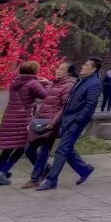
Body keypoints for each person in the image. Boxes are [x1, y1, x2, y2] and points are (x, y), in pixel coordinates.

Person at [36, 58, 102, 190]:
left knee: (62, 149)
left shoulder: (94, 83)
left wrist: (78, 120)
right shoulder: (81, 80)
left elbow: (90, 105)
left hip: (76, 121)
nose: (83, 67)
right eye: (84, 64)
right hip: (67, 119)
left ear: (94, 69)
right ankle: (84, 170)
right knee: (67, 148)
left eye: (87, 65)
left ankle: (51, 180)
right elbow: (69, 101)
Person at [0, 60, 47, 186]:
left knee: (7, 148)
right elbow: (47, 96)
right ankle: (2, 172)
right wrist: (47, 84)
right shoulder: (33, 83)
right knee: (22, 147)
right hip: (22, 119)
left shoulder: (15, 82)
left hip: (9, 117)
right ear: (33, 71)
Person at [22, 61, 75, 189]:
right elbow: (45, 104)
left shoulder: (69, 86)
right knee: (29, 150)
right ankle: (46, 170)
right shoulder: (55, 83)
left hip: (51, 123)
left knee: (43, 152)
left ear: (69, 73)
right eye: (58, 68)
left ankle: (35, 179)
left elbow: (64, 107)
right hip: (41, 121)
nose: (58, 70)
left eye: (62, 69)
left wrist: (53, 123)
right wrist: (32, 121)